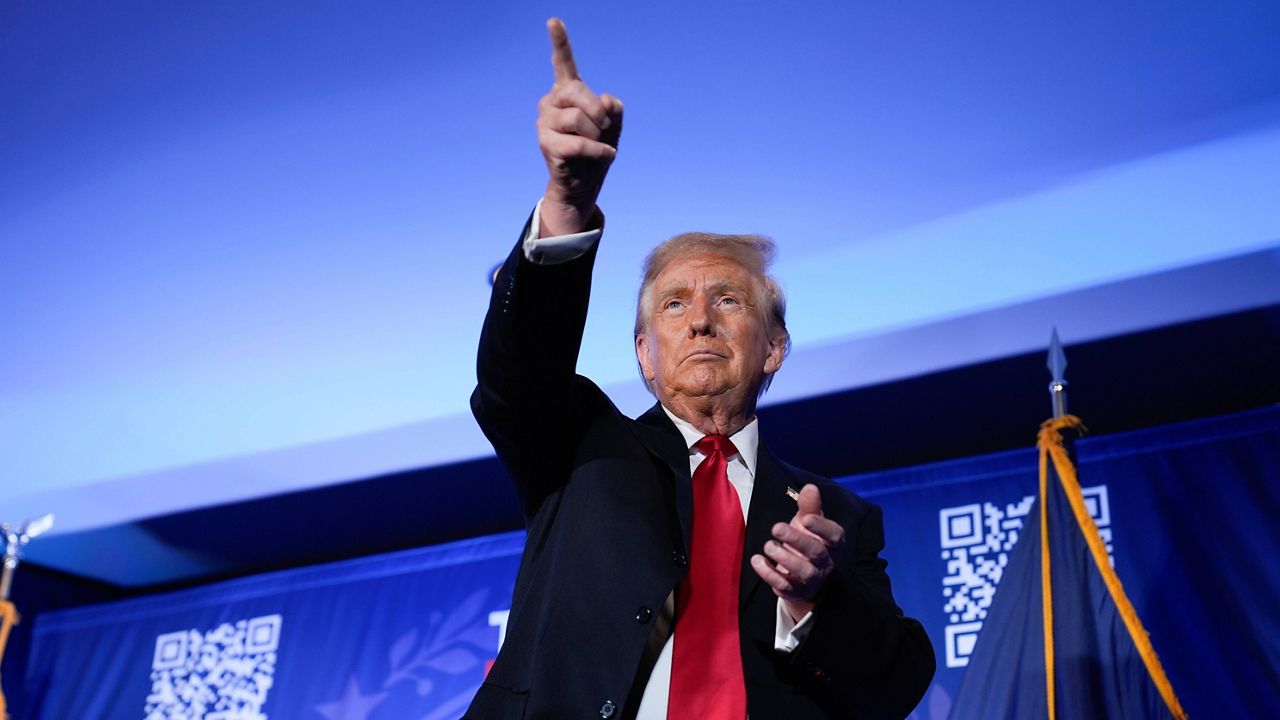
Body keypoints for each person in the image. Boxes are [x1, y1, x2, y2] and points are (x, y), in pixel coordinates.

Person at [465, 19, 935, 720]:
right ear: (645, 356)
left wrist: (814, 601)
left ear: (774, 347)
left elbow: (894, 687)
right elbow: (518, 372)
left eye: (728, 299)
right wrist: (567, 204)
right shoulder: (578, 447)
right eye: (674, 304)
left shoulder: (836, 517)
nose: (700, 320)